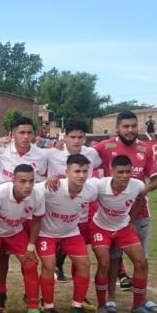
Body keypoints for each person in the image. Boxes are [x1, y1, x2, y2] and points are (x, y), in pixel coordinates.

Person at [93, 110, 157, 313]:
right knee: (112, 258)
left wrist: (141, 193)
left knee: (142, 259)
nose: (130, 130)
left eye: (133, 126)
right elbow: (82, 158)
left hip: (140, 214)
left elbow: (156, 179)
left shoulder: (145, 149)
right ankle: (111, 299)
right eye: (126, 126)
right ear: (117, 128)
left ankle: (141, 299)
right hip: (112, 215)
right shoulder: (105, 146)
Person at [89, 155, 154, 313]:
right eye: (120, 172)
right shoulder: (99, 185)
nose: (125, 176)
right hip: (101, 228)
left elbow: (140, 199)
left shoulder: (137, 185)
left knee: (141, 262)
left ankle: (137, 306)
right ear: (112, 171)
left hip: (123, 228)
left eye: (128, 172)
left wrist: (131, 220)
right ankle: (101, 306)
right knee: (104, 263)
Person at [36, 154, 98, 313]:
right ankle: (47, 306)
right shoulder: (51, 187)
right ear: (67, 172)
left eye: (85, 171)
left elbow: (111, 185)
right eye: (77, 171)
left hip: (71, 232)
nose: (81, 175)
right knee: (49, 266)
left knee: (84, 264)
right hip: (46, 233)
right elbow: (27, 191)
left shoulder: (91, 190)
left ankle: (77, 306)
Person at [0, 164, 45, 313]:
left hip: (14, 232)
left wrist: (31, 247)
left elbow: (37, 220)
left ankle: (33, 309)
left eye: (31, 181)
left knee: (31, 264)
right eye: (22, 181)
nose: (27, 186)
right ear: (13, 180)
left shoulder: (38, 195)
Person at [46, 119, 102, 283]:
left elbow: (107, 153)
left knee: (80, 255)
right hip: (57, 213)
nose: (77, 141)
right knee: (52, 254)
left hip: (81, 211)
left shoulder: (91, 154)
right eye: (73, 137)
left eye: (80, 137)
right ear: (65, 136)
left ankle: (79, 295)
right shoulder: (51, 154)